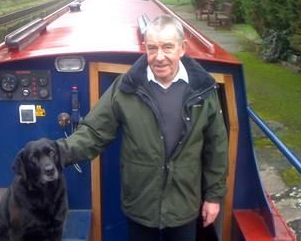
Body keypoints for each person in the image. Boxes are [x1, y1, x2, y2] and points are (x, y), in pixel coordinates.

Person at [30, 15, 228, 241]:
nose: (159, 56)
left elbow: (216, 147)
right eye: (152, 48)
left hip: (184, 204)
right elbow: (94, 132)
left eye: (167, 47)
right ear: (145, 48)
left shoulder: (203, 90)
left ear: (182, 48)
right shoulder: (125, 88)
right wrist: (58, 152)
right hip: (140, 204)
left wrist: (213, 197)